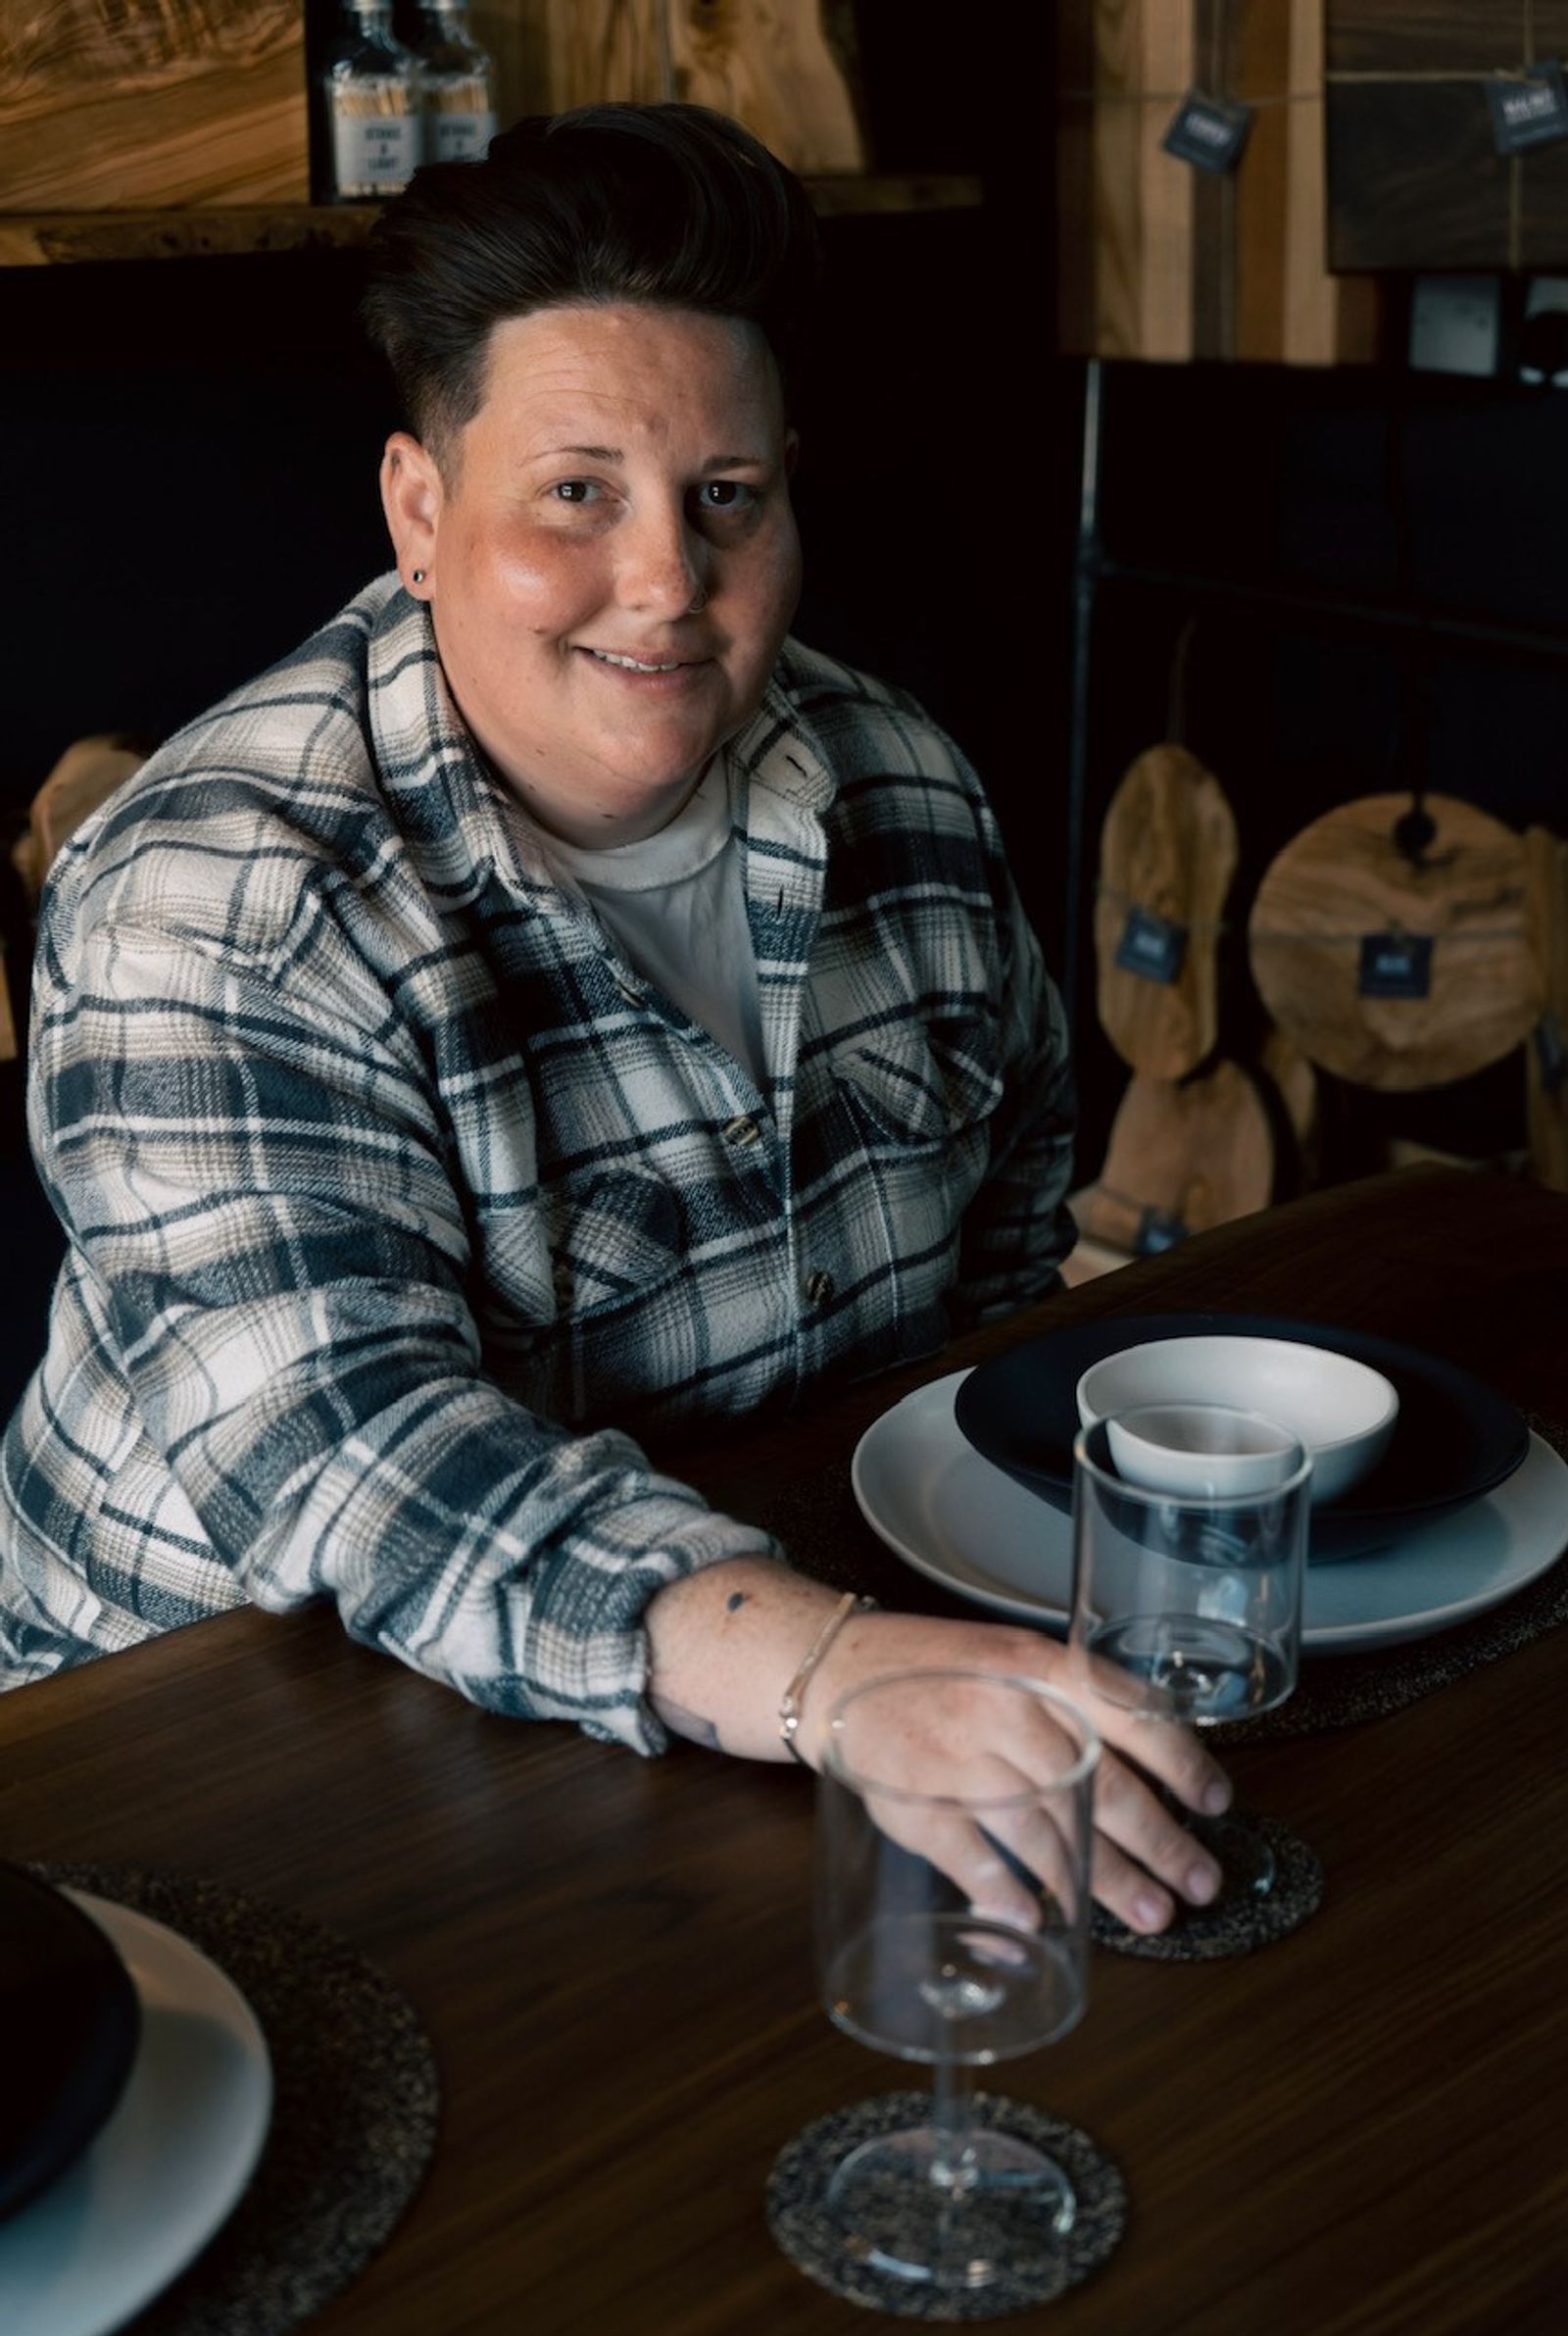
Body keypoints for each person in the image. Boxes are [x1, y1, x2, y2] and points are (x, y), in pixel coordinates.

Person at [0, 104, 1229, 1934]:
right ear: (423, 512)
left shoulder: (898, 778)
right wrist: (829, 1669)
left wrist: (924, 1642)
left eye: (725, 497)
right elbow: (366, 1459)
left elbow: (1007, 1222)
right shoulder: (220, 895)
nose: (667, 580)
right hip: (190, 1789)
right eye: (577, 492)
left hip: (719, 1718)